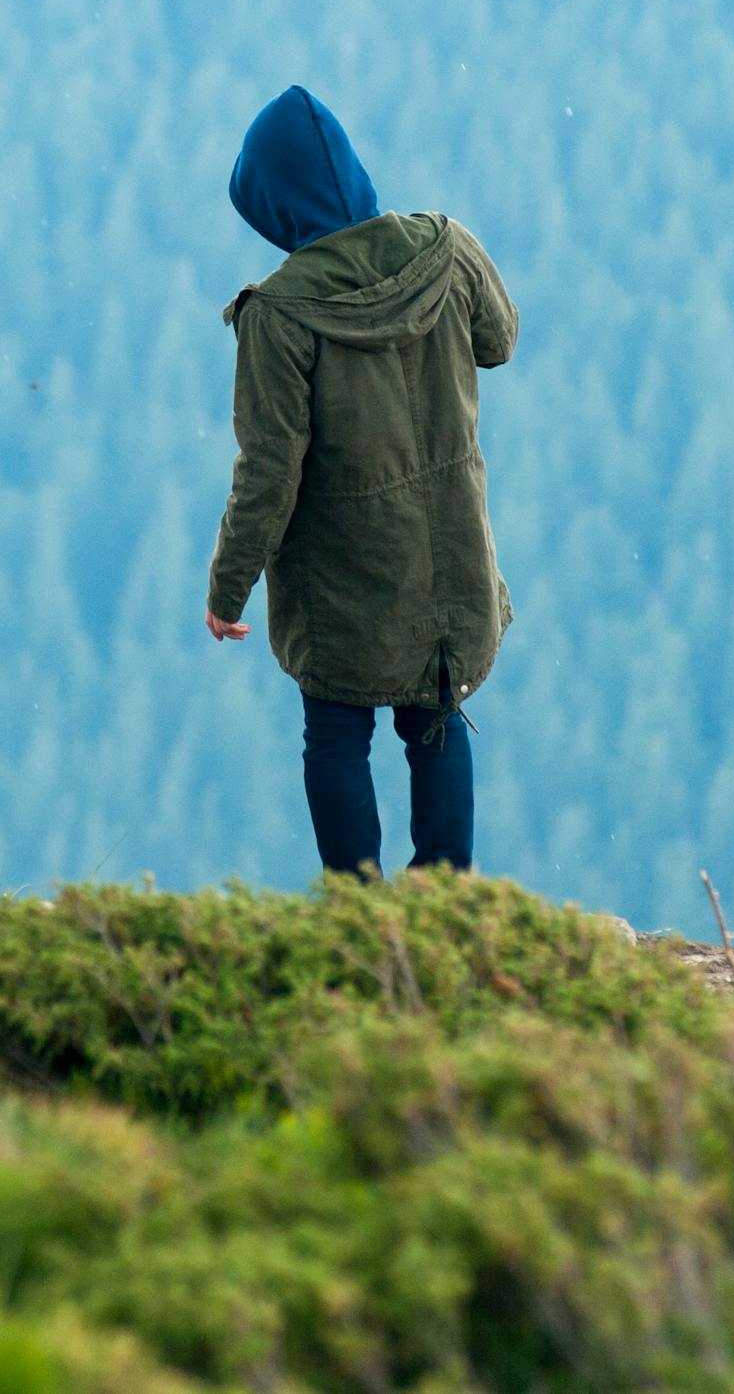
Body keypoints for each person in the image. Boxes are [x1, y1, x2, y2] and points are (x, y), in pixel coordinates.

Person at [205, 85, 518, 879]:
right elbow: (499, 341)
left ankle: (355, 905)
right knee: (436, 719)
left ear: (273, 207)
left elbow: (269, 471)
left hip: (340, 575)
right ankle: (446, 896)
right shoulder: (444, 246)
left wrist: (227, 585)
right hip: (448, 554)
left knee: (336, 734)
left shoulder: (278, 315)